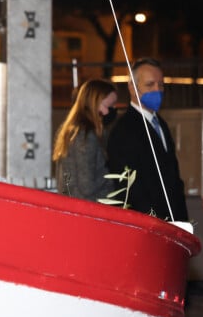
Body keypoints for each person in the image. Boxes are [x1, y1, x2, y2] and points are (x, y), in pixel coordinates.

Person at [107, 57, 188, 222]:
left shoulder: (161, 124)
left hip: (172, 220)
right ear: (132, 88)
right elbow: (129, 186)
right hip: (147, 222)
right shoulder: (124, 129)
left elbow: (172, 175)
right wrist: (152, 220)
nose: (157, 90)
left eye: (161, 85)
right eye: (150, 85)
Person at [52, 78, 118, 201]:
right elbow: (87, 185)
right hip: (90, 208)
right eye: (109, 106)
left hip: (75, 206)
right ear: (93, 104)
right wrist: (113, 172)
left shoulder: (74, 131)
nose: (112, 111)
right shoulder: (86, 135)